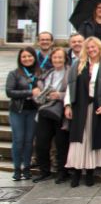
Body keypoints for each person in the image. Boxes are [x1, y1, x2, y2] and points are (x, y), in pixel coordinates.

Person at [64, 38, 101, 187]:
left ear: (99, 48)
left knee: (92, 140)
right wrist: (68, 105)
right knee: (78, 140)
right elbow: (71, 86)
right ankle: (76, 172)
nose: (91, 50)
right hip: (80, 107)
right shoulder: (78, 65)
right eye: (88, 48)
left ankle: (89, 173)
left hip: (97, 107)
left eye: (93, 47)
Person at [32, 49, 72, 183]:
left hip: (61, 111)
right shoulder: (47, 73)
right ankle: (45, 171)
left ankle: (62, 172)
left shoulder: (70, 72)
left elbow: (74, 90)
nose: (57, 60)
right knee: (41, 143)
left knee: (61, 144)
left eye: (60, 58)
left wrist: (59, 95)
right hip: (45, 110)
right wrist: (39, 92)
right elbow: (39, 87)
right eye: (55, 58)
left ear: (65, 58)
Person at [6, 47, 41, 180]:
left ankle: (26, 168)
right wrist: (29, 93)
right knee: (18, 139)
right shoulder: (14, 74)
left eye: (29, 56)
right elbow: (10, 92)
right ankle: (16, 169)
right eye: (24, 57)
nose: (27, 59)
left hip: (33, 110)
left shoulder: (40, 73)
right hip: (18, 111)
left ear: (34, 57)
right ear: (20, 59)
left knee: (29, 140)